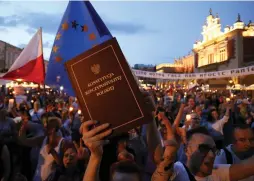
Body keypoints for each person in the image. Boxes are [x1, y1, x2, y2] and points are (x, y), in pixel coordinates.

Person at [152, 125, 254, 181]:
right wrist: (170, 152)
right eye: (203, 148)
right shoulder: (178, 170)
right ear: (187, 150)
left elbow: (247, 168)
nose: (211, 155)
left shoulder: (217, 172)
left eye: (213, 150)